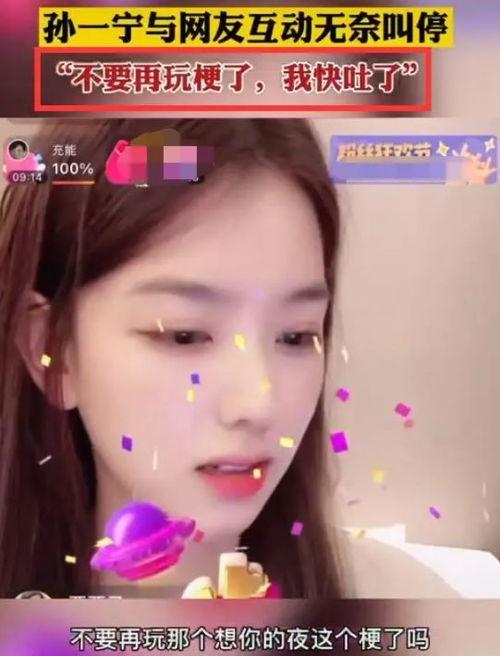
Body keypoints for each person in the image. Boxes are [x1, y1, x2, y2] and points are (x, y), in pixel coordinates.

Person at [0, 118, 457, 600]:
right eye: (184, 335)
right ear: (52, 351)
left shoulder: (407, 601)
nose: (259, 403)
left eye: (296, 336)